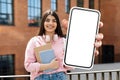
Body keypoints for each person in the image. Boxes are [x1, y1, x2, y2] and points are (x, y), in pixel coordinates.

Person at [24, 10, 104, 80]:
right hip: (40, 77)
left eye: (54, 21)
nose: (50, 23)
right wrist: (48, 66)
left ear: (57, 24)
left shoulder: (63, 41)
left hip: (59, 77)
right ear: (43, 23)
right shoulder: (34, 42)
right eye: (47, 20)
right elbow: (28, 66)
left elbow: (71, 67)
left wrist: (84, 50)